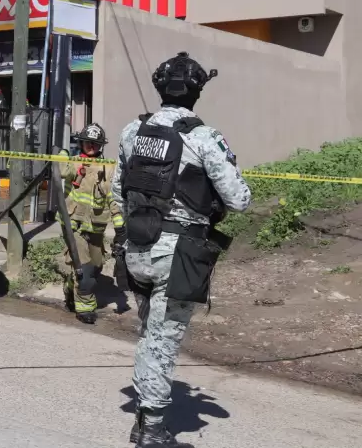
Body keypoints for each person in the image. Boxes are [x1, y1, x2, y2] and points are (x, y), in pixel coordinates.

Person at [110, 52, 251, 447]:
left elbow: (118, 191)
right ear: (196, 91)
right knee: (162, 340)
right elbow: (239, 199)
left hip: (137, 248)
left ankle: (144, 417)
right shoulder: (203, 137)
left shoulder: (132, 131)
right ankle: (152, 430)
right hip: (177, 253)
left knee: (149, 334)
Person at [56, 122, 126, 325]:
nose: (91, 146)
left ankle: (71, 287)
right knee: (84, 271)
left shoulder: (109, 167)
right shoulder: (74, 163)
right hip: (74, 225)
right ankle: (85, 309)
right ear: (81, 143)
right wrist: (61, 154)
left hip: (96, 227)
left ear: (101, 146)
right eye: (88, 142)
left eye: (95, 143)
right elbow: (62, 171)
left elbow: (113, 197)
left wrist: (119, 224)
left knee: (96, 267)